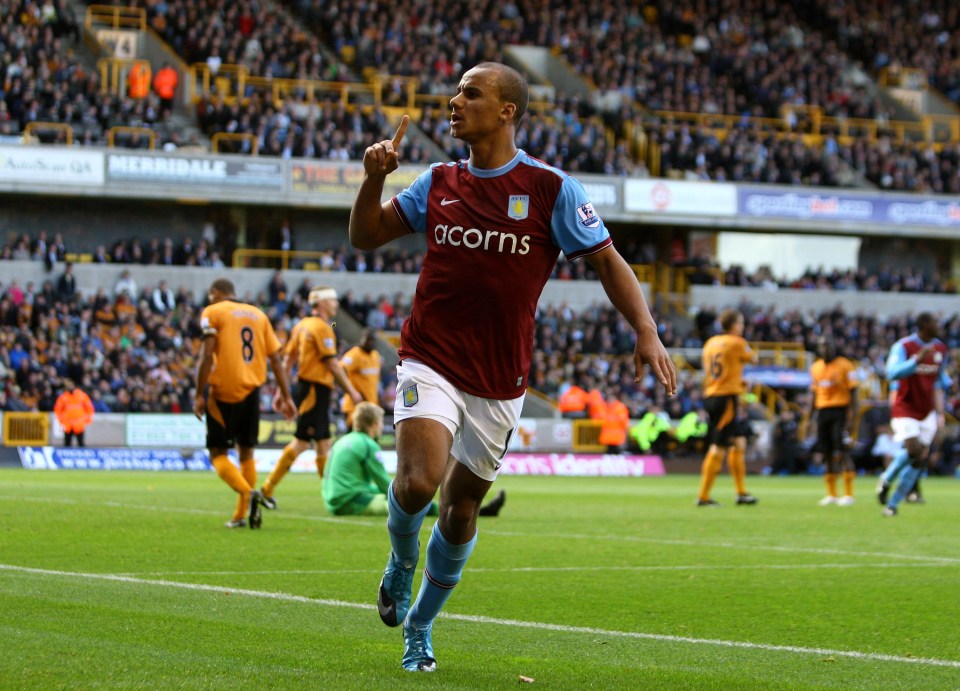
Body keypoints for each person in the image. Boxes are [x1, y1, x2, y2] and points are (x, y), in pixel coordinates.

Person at [349, 61, 676, 672]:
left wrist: (647, 330)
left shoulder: (551, 189)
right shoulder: (437, 181)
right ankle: (399, 559)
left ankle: (420, 624)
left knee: (461, 508)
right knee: (420, 483)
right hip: (430, 357)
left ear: (506, 111)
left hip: (499, 377)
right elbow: (366, 236)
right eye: (454, 92)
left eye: (470, 93)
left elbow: (609, 261)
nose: (454, 101)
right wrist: (372, 181)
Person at [193, 278, 296, 529]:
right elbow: (276, 360)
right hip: (253, 390)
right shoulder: (259, 315)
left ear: (215, 293)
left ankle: (248, 494)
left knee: (218, 452)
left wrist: (198, 393)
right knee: (246, 452)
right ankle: (240, 514)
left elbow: (207, 355)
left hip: (223, 391)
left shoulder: (213, 311)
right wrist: (286, 395)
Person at [260, 287, 363, 508]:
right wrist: (351, 391)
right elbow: (332, 364)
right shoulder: (322, 328)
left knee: (323, 443)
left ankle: (330, 492)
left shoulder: (300, 326)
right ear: (322, 303)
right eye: (333, 301)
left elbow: (287, 362)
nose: (336, 305)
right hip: (315, 390)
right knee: (302, 442)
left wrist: (281, 391)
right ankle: (267, 489)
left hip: (308, 389)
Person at [323, 401, 506, 518]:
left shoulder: (343, 441)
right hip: (350, 501)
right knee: (407, 504)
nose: (380, 426)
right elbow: (383, 484)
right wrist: (409, 497)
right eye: (379, 422)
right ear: (372, 424)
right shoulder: (368, 445)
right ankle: (473, 512)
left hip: (333, 498)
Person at [876, 313, 949, 517]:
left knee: (919, 458)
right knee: (913, 449)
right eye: (935, 322)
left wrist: (940, 412)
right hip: (905, 406)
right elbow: (891, 373)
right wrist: (916, 360)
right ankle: (887, 478)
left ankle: (892, 504)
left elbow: (938, 382)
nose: (939, 325)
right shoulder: (904, 346)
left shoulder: (941, 349)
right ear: (924, 326)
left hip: (927, 411)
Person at [696, 308, 759, 507]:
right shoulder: (737, 342)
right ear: (734, 325)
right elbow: (754, 358)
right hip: (725, 398)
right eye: (741, 323)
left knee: (739, 442)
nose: (742, 327)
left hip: (713, 394)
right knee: (718, 445)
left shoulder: (710, 344)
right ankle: (703, 497)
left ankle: (741, 493)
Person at [807, 335, 859, 506]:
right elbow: (814, 394)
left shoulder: (845, 365)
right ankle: (831, 494)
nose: (825, 349)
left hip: (840, 411)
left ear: (834, 346)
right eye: (821, 346)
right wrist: (809, 418)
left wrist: (853, 417)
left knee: (843, 451)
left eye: (827, 345)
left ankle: (849, 494)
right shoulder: (815, 367)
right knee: (827, 453)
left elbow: (854, 392)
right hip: (823, 412)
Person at [340, 328, 383, 428]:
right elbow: (340, 369)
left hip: (371, 407)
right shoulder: (354, 354)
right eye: (368, 340)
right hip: (355, 407)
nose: (371, 343)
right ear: (362, 339)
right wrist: (352, 391)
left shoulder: (375, 356)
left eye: (373, 340)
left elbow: (375, 380)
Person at [54, 379, 94, 447]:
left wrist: (87, 420)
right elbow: (57, 409)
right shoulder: (63, 397)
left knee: (81, 444)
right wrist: (61, 420)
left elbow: (90, 408)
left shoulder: (82, 396)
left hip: (79, 424)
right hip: (68, 424)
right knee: (67, 443)